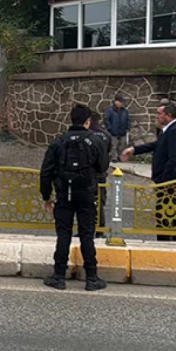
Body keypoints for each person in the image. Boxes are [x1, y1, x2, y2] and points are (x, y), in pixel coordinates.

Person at [40, 104, 108, 292]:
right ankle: (92, 278)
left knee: (63, 234)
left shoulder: (58, 142)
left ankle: (59, 276)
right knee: (87, 234)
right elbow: (103, 167)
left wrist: (46, 196)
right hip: (87, 194)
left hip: (64, 194)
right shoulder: (96, 141)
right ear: (88, 121)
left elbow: (45, 172)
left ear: (71, 119)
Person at [121, 103, 176, 241]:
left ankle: (172, 240)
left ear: (168, 115)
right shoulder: (170, 129)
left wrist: (162, 179)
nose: (157, 117)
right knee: (168, 210)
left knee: (170, 211)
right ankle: (170, 238)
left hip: (172, 181)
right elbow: (158, 145)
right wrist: (134, 149)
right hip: (170, 180)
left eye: (159, 113)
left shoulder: (175, 130)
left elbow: (175, 158)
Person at [88, 111, 111, 236]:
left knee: (85, 202)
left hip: (88, 173)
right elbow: (108, 151)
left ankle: (87, 228)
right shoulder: (106, 135)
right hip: (101, 173)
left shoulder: (87, 134)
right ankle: (100, 229)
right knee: (100, 202)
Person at [104, 95, 130, 162]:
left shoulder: (125, 111)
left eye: (122, 102)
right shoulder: (110, 111)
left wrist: (128, 128)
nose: (122, 103)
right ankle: (114, 157)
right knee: (113, 145)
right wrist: (110, 128)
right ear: (116, 102)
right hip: (113, 131)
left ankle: (120, 157)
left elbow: (128, 120)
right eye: (120, 102)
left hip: (122, 131)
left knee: (122, 145)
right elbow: (106, 120)